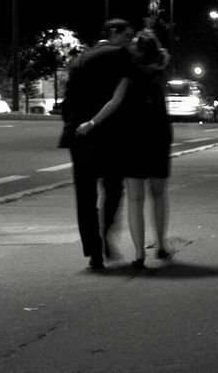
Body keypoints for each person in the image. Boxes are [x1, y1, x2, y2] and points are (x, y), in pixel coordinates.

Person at [78, 29, 173, 270]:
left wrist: (90, 123)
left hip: (134, 140)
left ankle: (139, 254)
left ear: (137, 51)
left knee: (135, 200)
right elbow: (164, 53)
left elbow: (114, 102)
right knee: (159, 195)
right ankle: (161, 244)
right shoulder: (162, 70)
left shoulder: (129, 74)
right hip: (159, 137)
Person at [59, 18, 134, 271]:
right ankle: (105, 234)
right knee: (114, 188)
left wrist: (72, 125)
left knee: (85, 195)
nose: (129, 39)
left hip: (80, 135)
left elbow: (68, 101)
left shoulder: (80, 59)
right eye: (127, 34)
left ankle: (93, 250)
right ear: (114, 32)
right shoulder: (121, 55)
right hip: (111, 134)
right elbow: (126, 96)